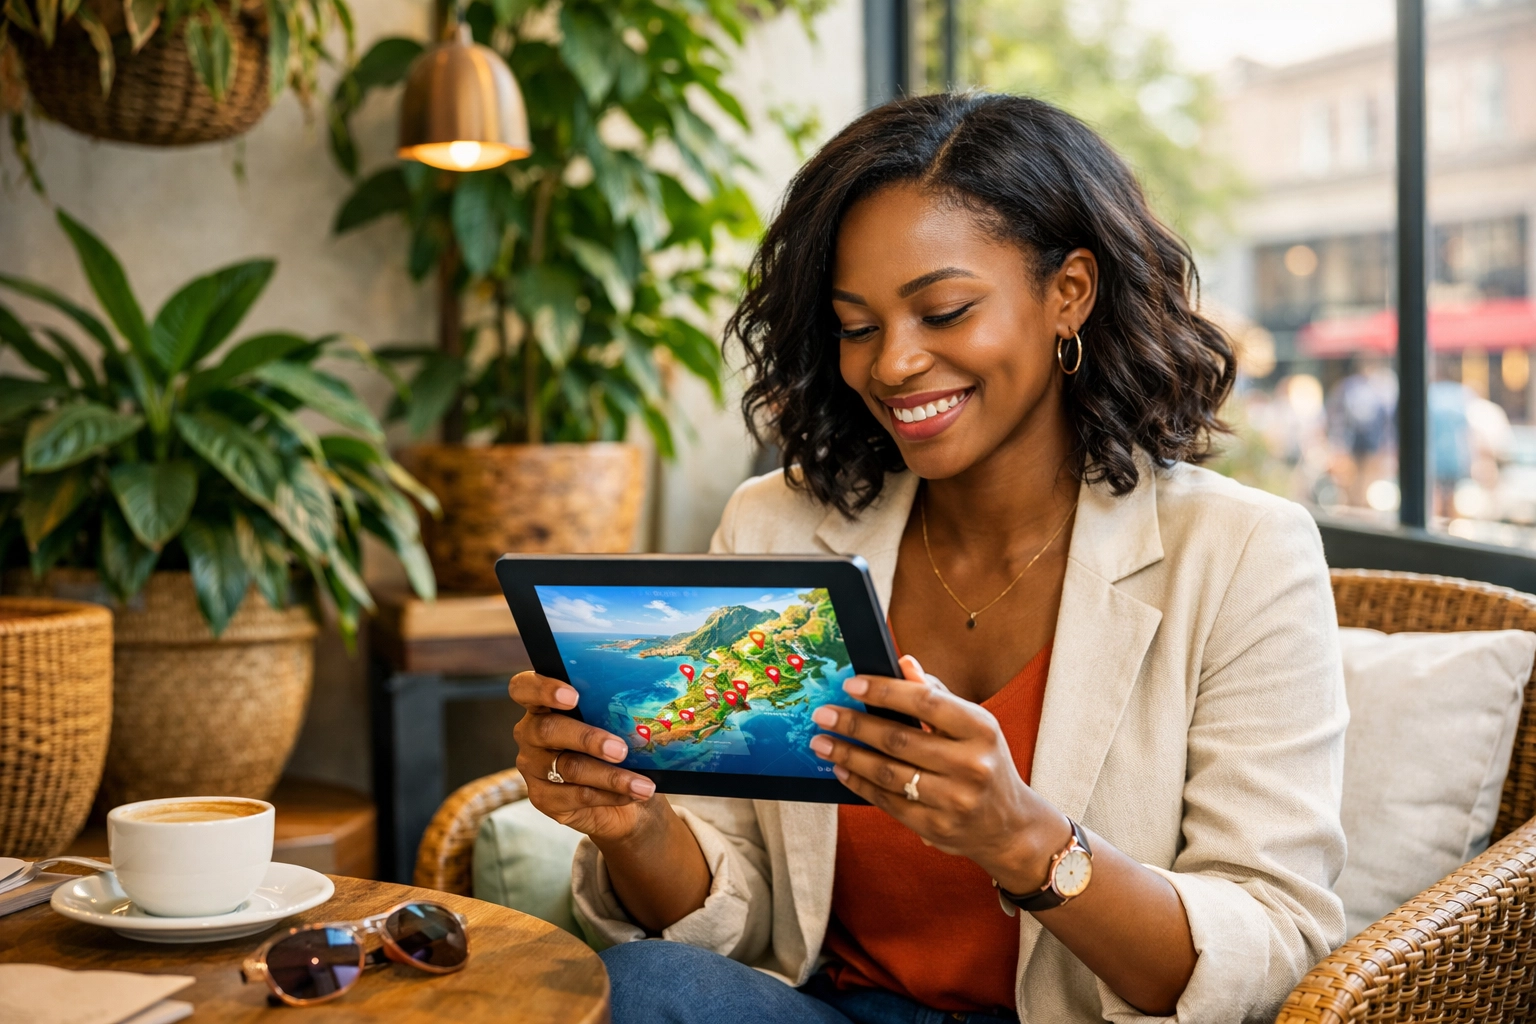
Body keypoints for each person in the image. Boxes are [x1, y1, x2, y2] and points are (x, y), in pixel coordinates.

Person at [509, 93, 1346, 1024]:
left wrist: (1024, 841)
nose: (892, 365)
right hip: (838, 1010)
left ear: (1068, 292)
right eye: (857, 327)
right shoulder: (775, 527)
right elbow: (734, 923)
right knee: (649, 987)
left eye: (943, 311)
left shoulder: (1240, 553)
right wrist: (638, 826)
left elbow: (1269, 949)